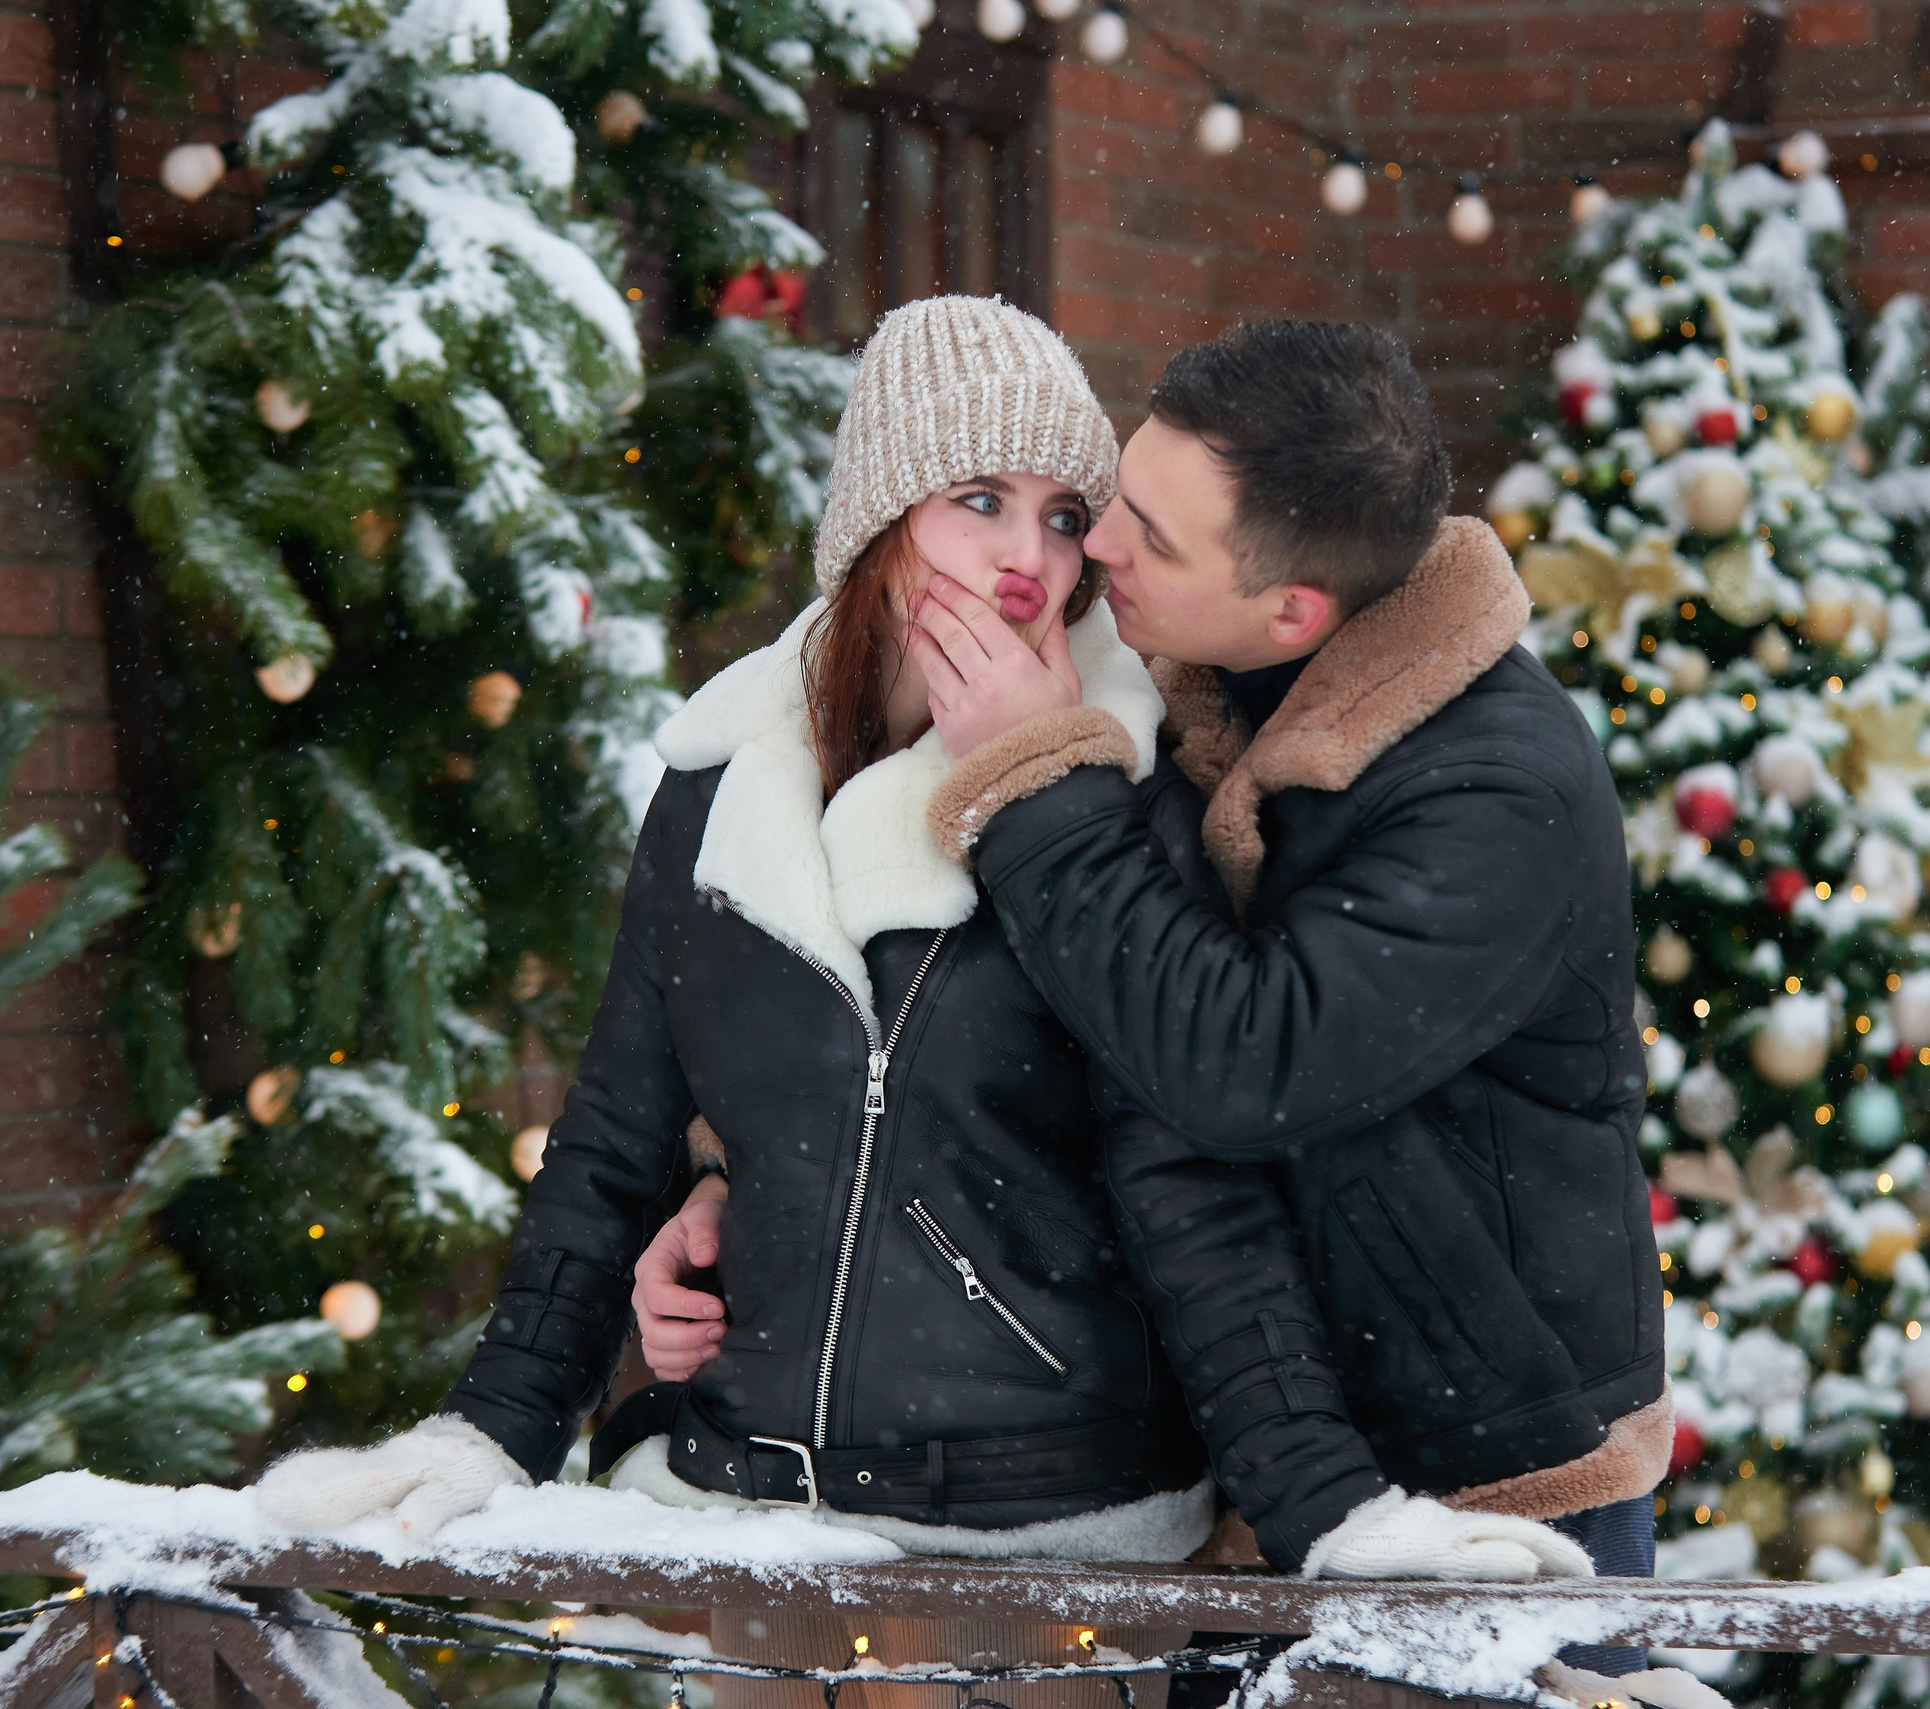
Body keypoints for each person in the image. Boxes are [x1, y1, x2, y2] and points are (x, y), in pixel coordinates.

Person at [249, 303, 1582, 1704]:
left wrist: (1327, 1508)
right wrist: (493, 1430)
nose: (1031, 556)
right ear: (884, 510)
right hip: (753, 1542)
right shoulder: (717, 788)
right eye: (979, 499)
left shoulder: (1106, 794)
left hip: (1041, 1563)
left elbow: (1194, 1187)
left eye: (1069, 513)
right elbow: (614, 1135)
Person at [902, 322, 1699, 1709]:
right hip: (1252, 1460)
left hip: (1486, 1483)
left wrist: (1037, 784)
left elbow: (1240, 1062)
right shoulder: (1180, 682)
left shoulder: (1498, 794)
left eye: (1145, 533)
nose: (1092, 555)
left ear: (1295, 614)